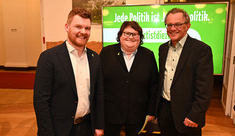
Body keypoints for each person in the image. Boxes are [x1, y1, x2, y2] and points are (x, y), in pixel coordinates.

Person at [33, 8, 104, 136]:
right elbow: (41, 100)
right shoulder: (49, 58)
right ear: (67, 27)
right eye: (78, 26)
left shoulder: (95, 58)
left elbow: (98, 95)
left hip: (87, 127)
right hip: (59, 129)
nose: (83, 32)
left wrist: (99, 125)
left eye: (87, 28)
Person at [157, 8, 213, 136]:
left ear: (187, 26)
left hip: (187, 114)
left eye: (178, 24)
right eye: (169, 25)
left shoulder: (201, 50)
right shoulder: (163, 48)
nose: (172, 28)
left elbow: (205, 88)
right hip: (164, 111)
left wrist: (195, 114)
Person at [100, 21, 159, 136]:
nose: (130, 37)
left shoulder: (148, 55)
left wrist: (151, 111)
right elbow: (99, 83)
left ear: (140, 37)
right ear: (120, 35)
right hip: (111, 112)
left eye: (135, 34)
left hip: (138, 113)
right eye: (127, 33)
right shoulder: (107, 53)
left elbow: (154, 85)